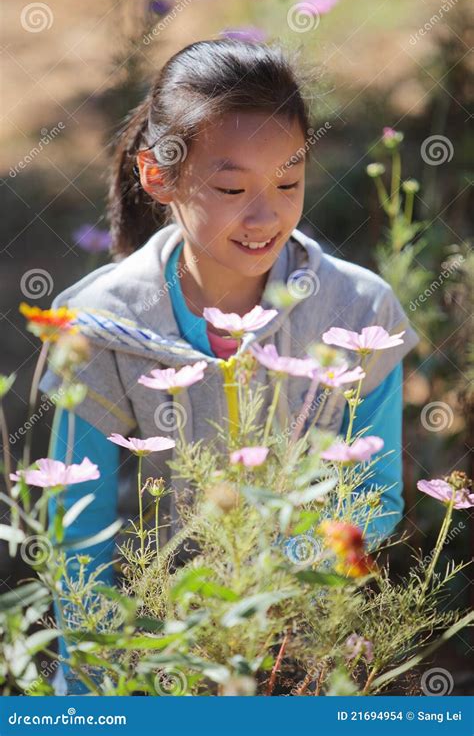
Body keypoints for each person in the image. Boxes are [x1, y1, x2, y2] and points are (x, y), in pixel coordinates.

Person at [39, 39, 419, 694]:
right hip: (156, 646)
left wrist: (273, 578)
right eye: (232, 186)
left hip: (300, 640)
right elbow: (78, 530)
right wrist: (92, 679)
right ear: (159, 177)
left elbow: (376, 493)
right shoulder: (103, 324)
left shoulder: (356, 311)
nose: (265, 214)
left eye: (288, 182)